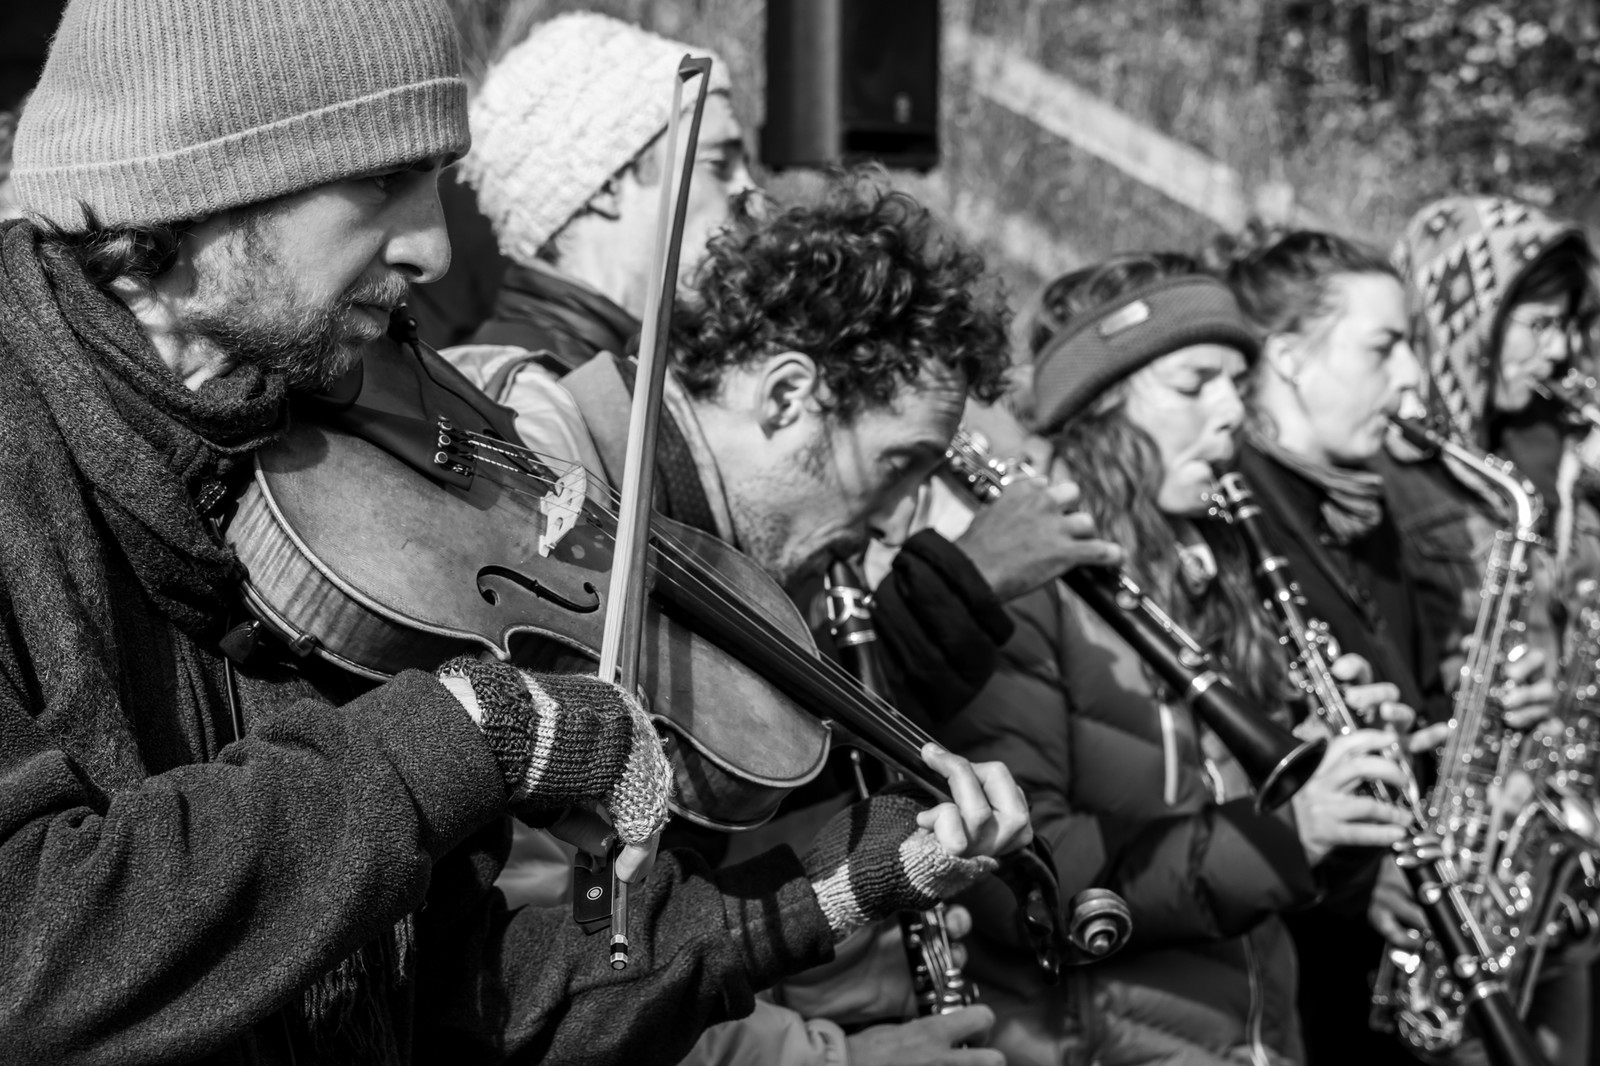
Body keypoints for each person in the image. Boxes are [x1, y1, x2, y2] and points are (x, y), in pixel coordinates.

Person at [0, 2, 1031, 1063]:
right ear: (195, 173)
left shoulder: (284, 460)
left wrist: (816, 896)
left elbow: (453, 1004)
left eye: (438, 179)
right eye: (379, 179)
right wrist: (461, 734)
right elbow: (30, 955)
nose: (433, 245)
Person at [446, 14, 1116, 730]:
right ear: (606, 187)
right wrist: (955, 591)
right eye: (720, 163)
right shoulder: (531, 405)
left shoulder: (665, 390)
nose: (754, 199)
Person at [934, 253, 1423, 1066]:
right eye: (1197, 383)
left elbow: (1247, 853)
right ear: (1101, 403)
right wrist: (1281, 836)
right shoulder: (1030, 589)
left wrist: (1328, 780)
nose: (1235, 410)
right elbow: (1018, 876)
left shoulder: (1220, 570)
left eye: (1238, 382)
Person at [1219, 227, 1461, 1066]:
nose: (1412, 380)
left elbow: (1412, 702)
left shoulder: (1368, 509)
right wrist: (1360, 882)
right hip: (1303, 963)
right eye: (1385, 347)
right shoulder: (1237, 516)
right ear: (1286, 356)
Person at [1383, 197, 1600, 1066]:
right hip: (1450, 862)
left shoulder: (1546, 452)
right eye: (1540, 324)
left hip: (1540, 854)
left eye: (1569, 327)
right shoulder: (1389, 474)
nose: (1562, 352)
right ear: (1466, 317)